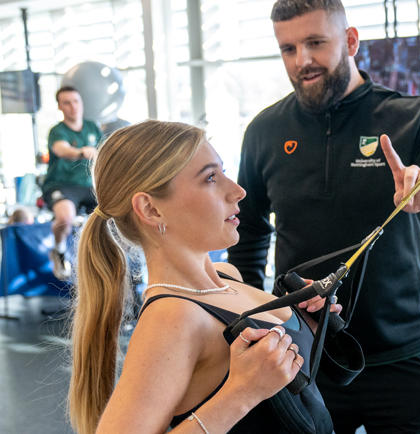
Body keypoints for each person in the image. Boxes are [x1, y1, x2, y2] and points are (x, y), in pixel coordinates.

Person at [228, 1, 420, 432]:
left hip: (406, 361)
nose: (303, 61)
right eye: (288, 48)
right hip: (307, 360)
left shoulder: (413, 118)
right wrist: (253, 320)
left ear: (351, 41)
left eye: (316, 43)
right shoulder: (264, 131)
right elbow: (250, 233)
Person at [68, 120, 341, 434]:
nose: (238, 191)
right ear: (151, 209)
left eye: (222, 172)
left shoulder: (228, 276)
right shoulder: (171, 318)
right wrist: (240, 394)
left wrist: (307, 322)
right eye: (211, 178)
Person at [42, 86, 102, 281]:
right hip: (62, 185)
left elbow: (104, 152)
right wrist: (80, 152)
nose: (73, 107)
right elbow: (62, 150)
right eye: (67, 103)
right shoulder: (57, 131)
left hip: (89, 186)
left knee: (113, 218)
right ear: (60, 107)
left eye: (76, 101)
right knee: (65, 218)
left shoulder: (92, 127)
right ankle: (58, 251)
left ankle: (103, 259)